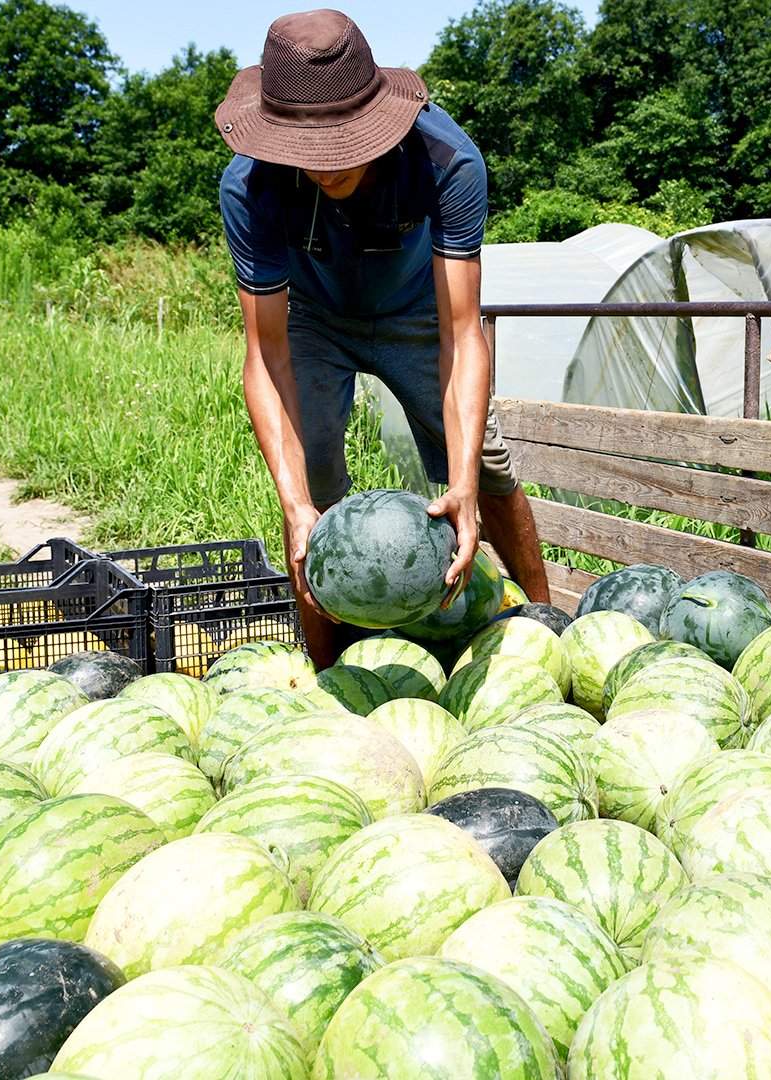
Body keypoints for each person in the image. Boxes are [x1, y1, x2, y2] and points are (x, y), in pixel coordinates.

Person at [213, 8, 549, 668]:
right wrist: (294, 503)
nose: (324, 166)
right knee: (309, 484)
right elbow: (267, 354)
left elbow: (462, 333)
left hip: (416, 311)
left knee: (483, 466)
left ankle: (548, 624)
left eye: (341, 143)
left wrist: (460, 488)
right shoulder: (248, 187)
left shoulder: (447, 161)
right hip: (311, 317)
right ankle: (330, 673)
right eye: (305, 150)